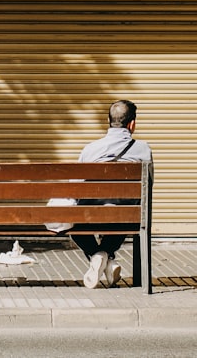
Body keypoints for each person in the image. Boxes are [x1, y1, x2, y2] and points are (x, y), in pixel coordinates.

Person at [73, 99, 153, 289]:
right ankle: (107, 257)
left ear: (108, 121)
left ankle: (97, 256)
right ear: (132, 124)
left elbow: (74, 188)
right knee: (128, 213)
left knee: (72, 219)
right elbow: (147, 187)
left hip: (90, 217)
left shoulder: (90, 149)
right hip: (126, 216)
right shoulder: (144, 150)